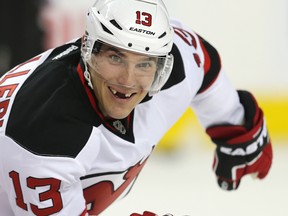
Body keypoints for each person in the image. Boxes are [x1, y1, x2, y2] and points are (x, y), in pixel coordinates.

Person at [0, 0, 273, 215]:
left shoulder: (178, 64)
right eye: (115, 57)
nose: (128, 81)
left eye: (144, 63)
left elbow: (201, 58)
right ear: (88, 49)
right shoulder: (41, 138)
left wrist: (234, 122)